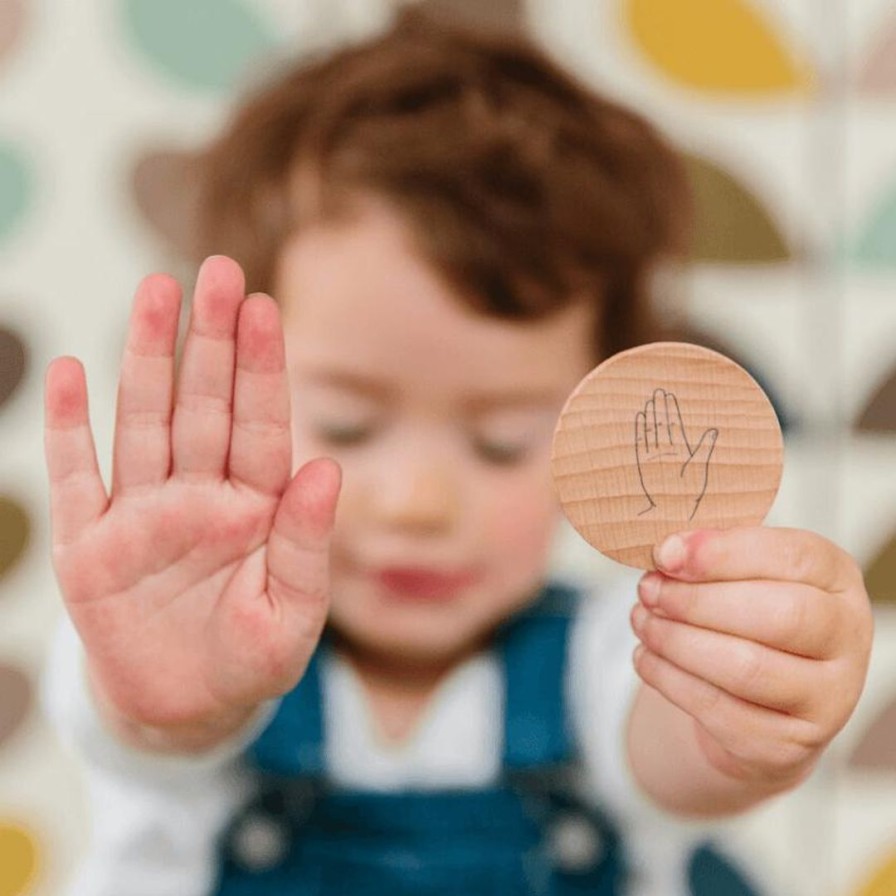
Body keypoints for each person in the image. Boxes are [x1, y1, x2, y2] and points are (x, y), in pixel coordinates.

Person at [41, 11, 873, 896]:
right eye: (351, 426)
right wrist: (171, 708)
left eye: (501, 440)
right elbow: (153, 722)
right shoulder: (174, 637)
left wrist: (746, 699)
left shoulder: (616, 657)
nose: (417, 502)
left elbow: (678, 751)